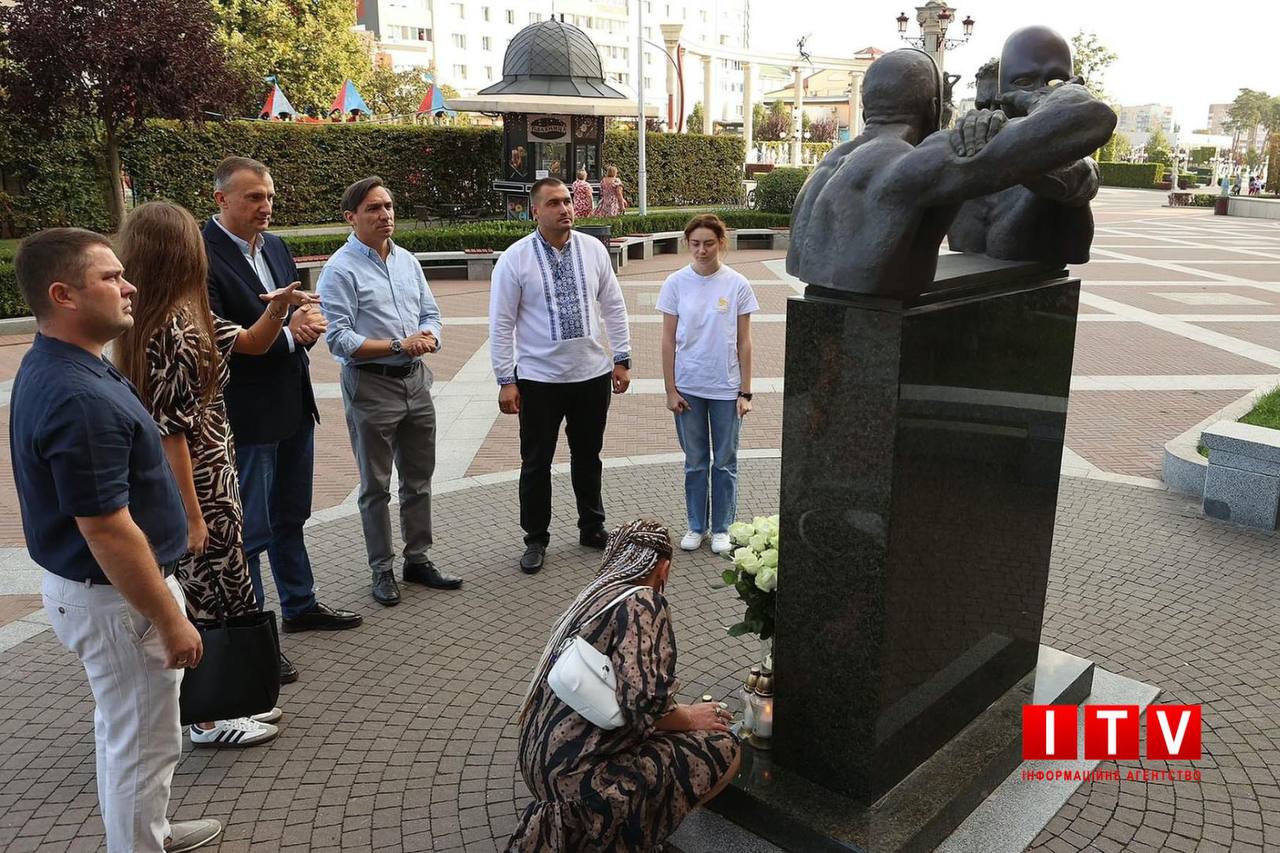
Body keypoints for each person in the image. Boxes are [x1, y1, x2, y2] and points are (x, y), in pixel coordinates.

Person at [10, 228, 222, 853]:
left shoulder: (65, 363)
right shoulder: (78, 394)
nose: (129, 286)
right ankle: (138, 843)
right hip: (117, 601)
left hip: (101, 596)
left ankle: (145, 832)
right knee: (143, 742)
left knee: (127, 730)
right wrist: (168, 618)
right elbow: (104, 526)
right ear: (63, 295)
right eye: (110, 277)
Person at [116, 201, 318, 748]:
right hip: (198, 480)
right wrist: (192, 511)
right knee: (205, 592)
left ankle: (228, 699)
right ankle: (206, 715)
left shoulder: (186, 314)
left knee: (228, 584)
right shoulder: (166, 329)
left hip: (216, 471)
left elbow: (249, 341)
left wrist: (277, 308)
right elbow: (170, 431)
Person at [204, 156, 361, 685]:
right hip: (247, 415)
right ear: (221, 199)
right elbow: (227, 339)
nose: (265, 207)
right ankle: (258, 634)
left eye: (269, 196)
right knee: (251, 529)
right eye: (253, 198)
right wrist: (293, 332)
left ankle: (300, 604)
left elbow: (287, 309)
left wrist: (306, 319)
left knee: (290, 514)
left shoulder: (273, 245)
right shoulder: (202, 257)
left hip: (293, 404)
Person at [507, 520, 741, 852]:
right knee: (724, 747)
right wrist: (690, 717)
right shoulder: (643, 602)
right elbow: (644, 703)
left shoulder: (594, 595)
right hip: (582, 783)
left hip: (539, 764)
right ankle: (627, 834)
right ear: (663, 567)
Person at [317, 176, 463, 606]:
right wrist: (399, 344)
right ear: (351, 217)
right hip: (371, 384)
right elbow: (339, 339)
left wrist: (429, 337)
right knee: (375, 485)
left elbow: (431, 313)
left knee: (418, 479)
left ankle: (417, 559)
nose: (385, 215)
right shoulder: (339, 269)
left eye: (389, 206)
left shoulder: (407, 261)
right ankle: (381, 568)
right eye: (374, 209)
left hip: (415, 381)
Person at [488, 177, 632, 574]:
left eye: (567, 200)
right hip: (539, 379)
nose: (564, 208)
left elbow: (614, 305)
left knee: (588, 456)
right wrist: (506, 379)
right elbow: (500, 323)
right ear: (535, 210)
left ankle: (592, 526)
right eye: (553, 202)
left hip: (591, 375)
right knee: (537, 462)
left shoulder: (593, 250)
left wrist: (621, 358)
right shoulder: (515, 259)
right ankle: (535, 538)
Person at [658, 215, 758, 555]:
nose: (701, 250)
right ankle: (696, 526)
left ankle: (722, 528)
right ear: (689, 244)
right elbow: (668, 340)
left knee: (725, 462)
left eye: (709, 243)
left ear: (721, 244)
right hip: (688, 388)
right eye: (696, 244)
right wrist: (671, 389)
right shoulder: (675, 283)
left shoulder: (737, 284)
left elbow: (744, 342)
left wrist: (745, 392)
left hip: (726, 388)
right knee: (696, 461)